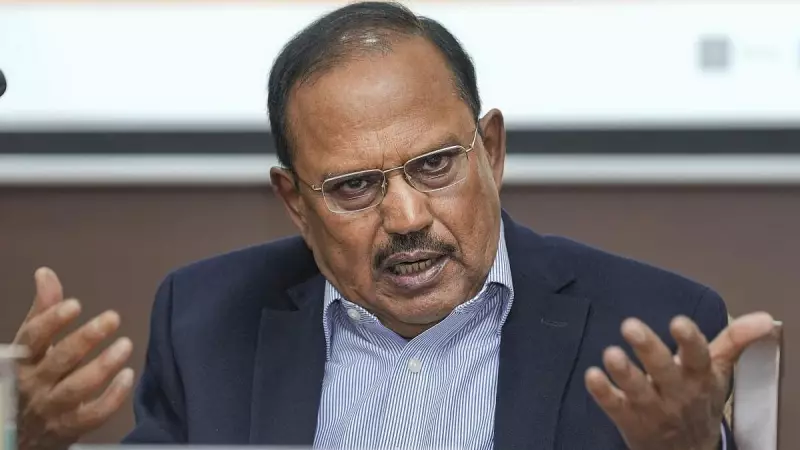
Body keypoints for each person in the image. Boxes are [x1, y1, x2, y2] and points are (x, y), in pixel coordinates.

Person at [12, 2, 776, 449]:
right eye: (354, 187)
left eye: (436, 165)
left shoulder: (650, 324)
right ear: (294, 202)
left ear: (492, 151)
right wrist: (26, 444)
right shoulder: (205, 322)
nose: (407, 218)